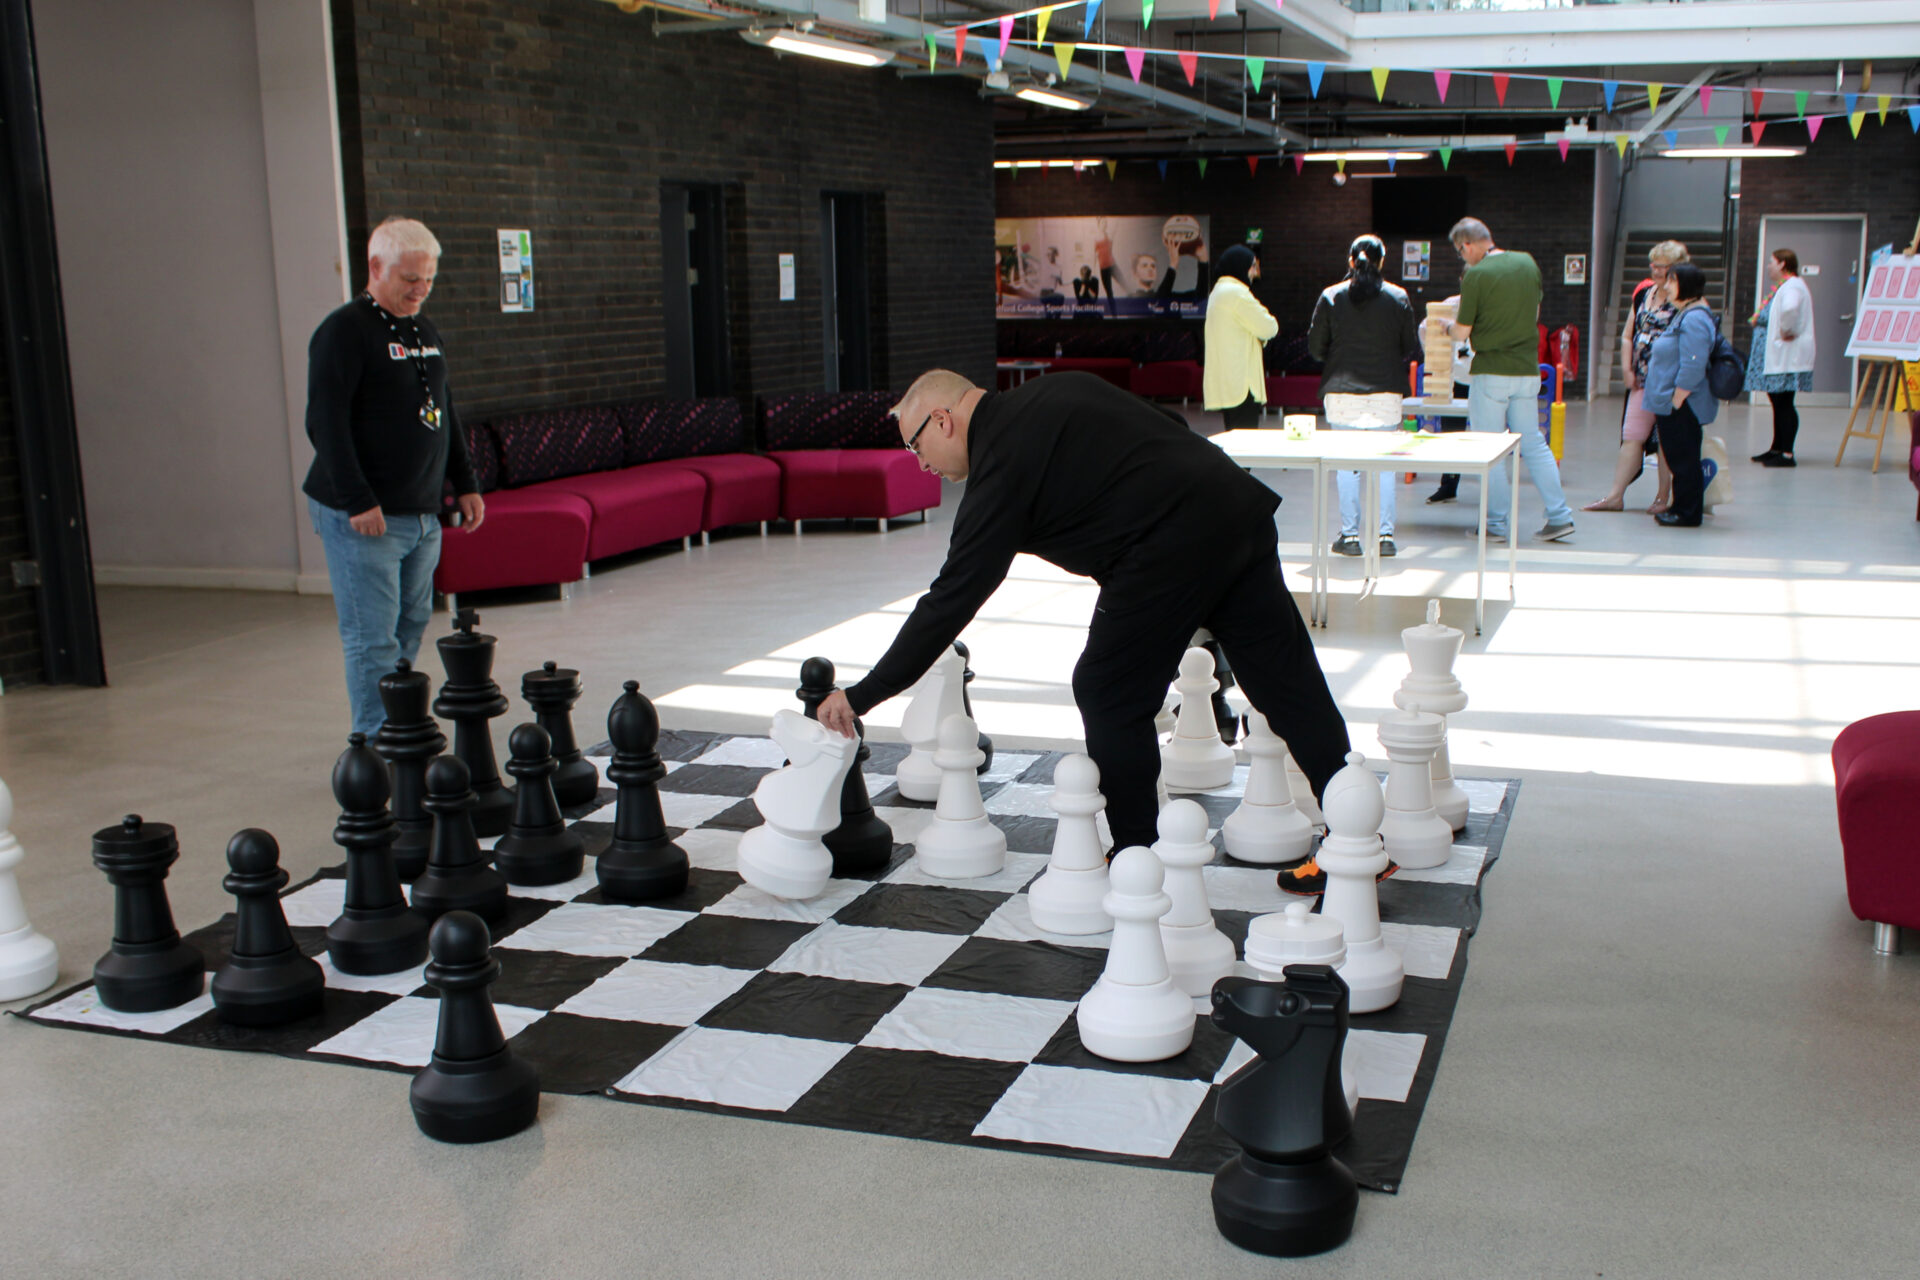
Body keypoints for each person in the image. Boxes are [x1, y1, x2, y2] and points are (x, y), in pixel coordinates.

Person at [814, 369, 1352, 883]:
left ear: (943, 419)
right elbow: (1170, 424)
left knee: (1107, 689)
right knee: (1286, 682)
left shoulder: (1000, 466)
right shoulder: (1053, 392)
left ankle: (1138, 857)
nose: (920, 463)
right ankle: (1356, 837)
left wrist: (863, 695)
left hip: (1169, 546)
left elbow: (949, 601)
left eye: (915, 445)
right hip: (1235, 507)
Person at [304, 216, 485, 737]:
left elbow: (443, 408)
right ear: (376, 268)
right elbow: (326, 423)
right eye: (409, 279)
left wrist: (465, 482)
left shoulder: (423, 328)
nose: (420, 290)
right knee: (372, 638)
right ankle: (376, 746)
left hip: (420, 510)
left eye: (428, 279)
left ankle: (398, 727)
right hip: (362, 513)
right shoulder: (343, 331)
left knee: (408, 628)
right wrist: (358, 499)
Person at [1447, 217, 1575, 542]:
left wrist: (1446, 329)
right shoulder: (1526, 262)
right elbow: (1534, 312)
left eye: (1461, 254)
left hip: (1491, 371)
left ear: (1467, 246)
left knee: (1489, 448)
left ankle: (1496, 524)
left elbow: (1462, 331)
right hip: (1527, 370)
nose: (1464, 260)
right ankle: (1560, 517)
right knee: (1532, 443)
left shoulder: (1476, 275)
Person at [1309, 235, 1421, 558]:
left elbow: (1316, 349)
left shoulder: (1331, 296)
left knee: (1347, 467)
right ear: (1382, 262)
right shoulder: (1398, 297)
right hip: (1386, 392)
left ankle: (1351, 536)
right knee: (1385, 466)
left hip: (1342, 394)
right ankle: (1386, 538)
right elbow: (1409, 346)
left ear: (1350, 261)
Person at [1584, 241, 1687, 513]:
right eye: (1653, 264)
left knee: (1666, 439)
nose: (1655, 270)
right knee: (1632, 435)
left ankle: (1663, 497)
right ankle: (1615, 496)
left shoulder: (1685, 299)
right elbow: (1628, 334)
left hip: (1668, 381)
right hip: (1642, 380)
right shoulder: (1644, 294)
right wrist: (1627, 369)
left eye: (1661, 266)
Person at [1641, 262, 1719, 528]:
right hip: (1673, 402)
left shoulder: (1695, 317)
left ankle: (1687, 513)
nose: (1667, 285)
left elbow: (1694, 363)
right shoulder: (1685, 313)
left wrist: (1677, 397)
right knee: (1678, 457)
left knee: (1684, 459)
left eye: (1673, 281)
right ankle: (1681, 507)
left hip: (1683, 404)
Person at [1747, 247, 1815, 467]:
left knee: (1784, 402)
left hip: (1787, 355)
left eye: (1771, 262)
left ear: (1783, 264)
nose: (1769, 266)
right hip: (1779, 355)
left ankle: (1786, 453)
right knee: (1777, 402)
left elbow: (1790, 309)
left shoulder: (1793, 286)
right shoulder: (1786, 286)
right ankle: (1777, 447)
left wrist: (1786, 329)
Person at [1204, 245, 1277, 430]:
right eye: (1252, 266)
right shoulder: (1237, 293)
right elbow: (1270, 327)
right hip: (1243, 386)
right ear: (1240, 266)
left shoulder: (1218, 292)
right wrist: (1261, 336)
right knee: (1245, 446)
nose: (1255, 273)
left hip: (1228, 383)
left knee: (1232, 442)